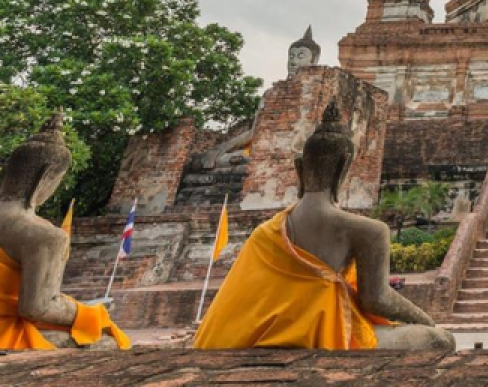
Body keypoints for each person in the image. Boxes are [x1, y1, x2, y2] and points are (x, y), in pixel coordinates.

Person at [194, 102, 454, 350]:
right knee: (440, 340)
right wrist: (425, 319)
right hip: (329, 333)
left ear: (299, 168)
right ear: (344, 166)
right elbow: (376, 299)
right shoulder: (369, 230)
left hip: (274, 333)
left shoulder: (265, 232)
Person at [0, 110, 129, 350]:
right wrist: (91, 312)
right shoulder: (45, 236)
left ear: (4, 173)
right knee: (108, 341)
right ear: (46, 177)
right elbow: (37, 308)